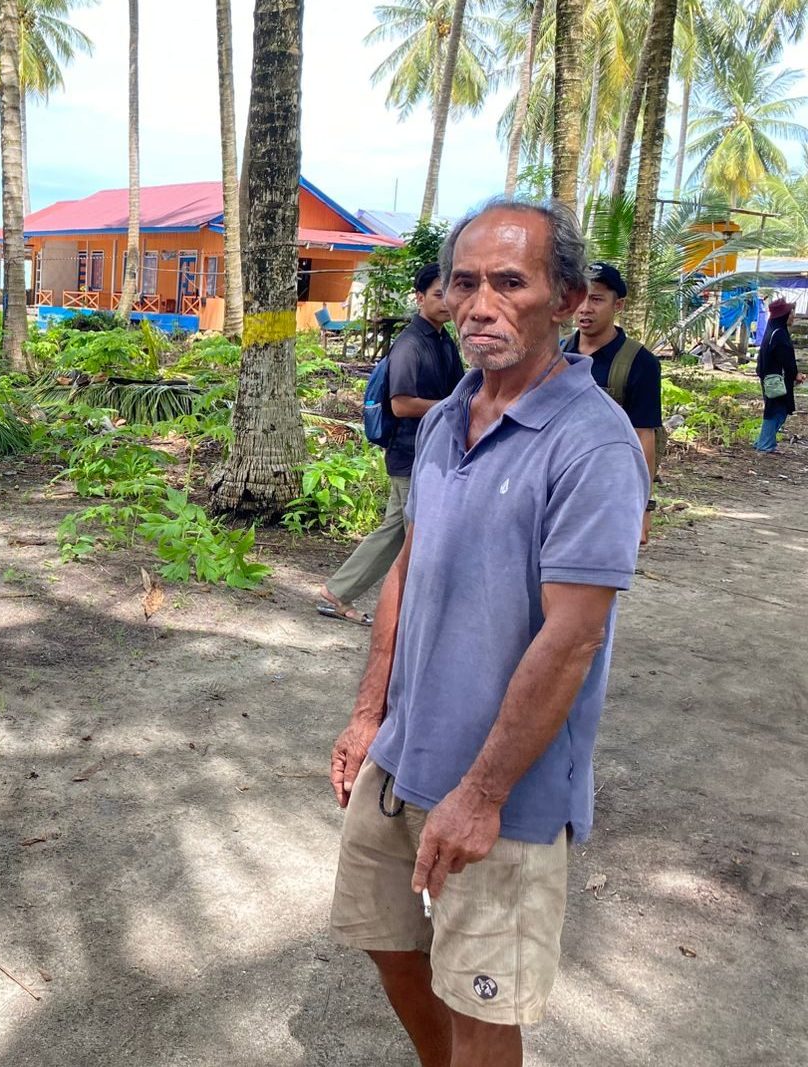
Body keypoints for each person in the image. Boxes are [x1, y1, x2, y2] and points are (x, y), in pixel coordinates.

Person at [328, 197, 648, 1067]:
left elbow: (573, 638)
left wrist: (483, 791)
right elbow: (407, 567)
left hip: (502, 791)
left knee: (482, 1006)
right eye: (464, 282)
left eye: (510, 282)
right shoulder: (442, 417)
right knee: (391, 948)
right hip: (402, 757)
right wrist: (369, 714)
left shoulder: (593, 445)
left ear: (569, 297)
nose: (480, 304)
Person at [318, 262, 462, 625]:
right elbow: (401, 403)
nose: (447, 301)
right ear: (419, 298)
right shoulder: (411, 345)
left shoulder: (444, 340)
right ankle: (356, 596)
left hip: (432, 452)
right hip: (409, 452)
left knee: (402, 528)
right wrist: (454, 407)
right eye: (438, 294)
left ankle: (340, 591)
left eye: (453, 293)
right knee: (412, 529)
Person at [563, 261, 662, 543]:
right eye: (580, 298)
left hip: (607, 488)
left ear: (618, 305)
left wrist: (643, 507)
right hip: (557, 482)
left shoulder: (640, 363)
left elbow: (645, 435)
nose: (584, 308)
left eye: (596, 299)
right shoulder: (556, 353)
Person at [756, 297, 801, 453]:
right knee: (777, 411)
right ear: (785, 315)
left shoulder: (773, 331)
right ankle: (765, 444)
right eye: (791, 313)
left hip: (770, 378)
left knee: (775, 409)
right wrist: (795, 374)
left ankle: (763, 442)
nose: (793, 316)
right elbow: (786, 359)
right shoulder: (780, 334)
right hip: (776, 380)